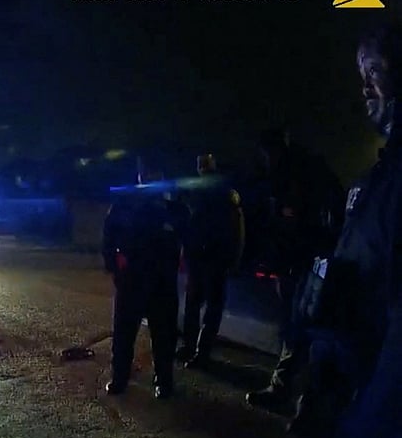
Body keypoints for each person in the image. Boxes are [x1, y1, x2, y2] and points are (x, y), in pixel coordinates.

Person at [302, 23, 402, 438]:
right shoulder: (377, 177)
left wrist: (362, 436)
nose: (364, 86)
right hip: (347, 384)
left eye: (375, 70)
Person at [246, 129, 345, 410]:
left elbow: (300, 224)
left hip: (308, 265)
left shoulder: (300, 175)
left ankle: (300, 396)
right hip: (299, 264)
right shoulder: (289, 175)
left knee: (304, 329)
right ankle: (291, 391)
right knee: (297, 329)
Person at [99, 158, 190, 399]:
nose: (150, 177)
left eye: (154, 173)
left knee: (164, 334)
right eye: (146, 173)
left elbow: (188, 237)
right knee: (124, 333)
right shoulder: (126, 203)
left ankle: (164, 380)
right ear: (139, 175)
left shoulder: (173, 206)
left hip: (162, 280)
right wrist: (114, 268)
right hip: (132, 279)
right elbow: (109, 237)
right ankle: (119, 378)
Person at [178, 153, 245, 369]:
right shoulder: (196, 191)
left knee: (209, 310)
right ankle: (191, 348)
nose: (202, 168)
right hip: (199, 258)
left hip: (215, 259)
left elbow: (237, 228)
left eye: (205, 164)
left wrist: (234, 258)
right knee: (194, 307)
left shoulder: (224, 193)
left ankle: (201, 351)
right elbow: (188, 224)